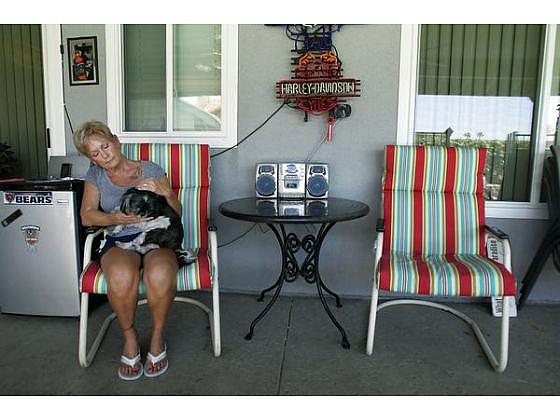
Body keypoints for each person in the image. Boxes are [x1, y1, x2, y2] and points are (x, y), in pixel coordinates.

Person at [73, 120, 181, 380]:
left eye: (105, 146)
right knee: (121, 276)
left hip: (157, 237)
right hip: (121, 239)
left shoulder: (151, 170)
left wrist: (168, 194)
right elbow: (87, 216)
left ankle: (156, 338)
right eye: (94, 154)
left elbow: (176, 214)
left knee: (161, 273)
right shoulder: (95, 176)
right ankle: (130, 337)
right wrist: (117, 219)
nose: (103, 155)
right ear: (92, 160)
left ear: (116, 140)